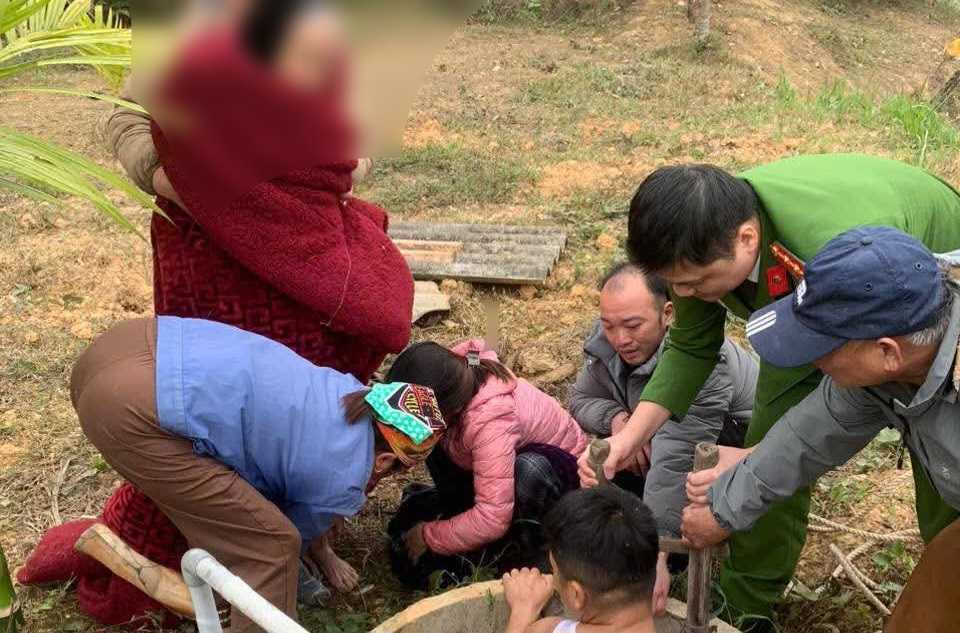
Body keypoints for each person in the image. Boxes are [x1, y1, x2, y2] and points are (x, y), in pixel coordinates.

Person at [92, 0, 412, 613]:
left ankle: (310, 540)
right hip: (205, 253)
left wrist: (320, 181)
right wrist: (170, 179)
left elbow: (348, 130)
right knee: (220, 409)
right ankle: (237, 546)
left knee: (308, 401)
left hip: (297, 246)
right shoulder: (183, 35)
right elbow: (132, 118)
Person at [579, 154, 960, 629]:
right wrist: (720, 486)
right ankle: (749, 598)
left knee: (942, 472)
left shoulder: (839, 259)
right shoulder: (704, 234)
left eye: (693, 284)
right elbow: (808, 432)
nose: (685, 295)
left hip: (912, 283)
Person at [70, 316, 445, 633]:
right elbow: (294, 530)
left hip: (132, 344)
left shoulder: (345, 388)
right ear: (384, 463)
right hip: (129, 410)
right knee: (272, 547)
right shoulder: (344, 477)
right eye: (402, 467)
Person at [681, 227, 960, 633]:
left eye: (822, 350)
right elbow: (808, 435)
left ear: (887, 352)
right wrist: (723, 509)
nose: (812, 362)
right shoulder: (888, 366)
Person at [569, 262, 757, 611]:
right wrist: (620, 422)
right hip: (664, 440)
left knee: (684, 468)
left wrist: (657, 553)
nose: (621, 339)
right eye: (609, 325)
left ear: (667, 313)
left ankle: (685, 551)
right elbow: (580, 398)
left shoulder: (705, 359)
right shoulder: (606, 347)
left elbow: (681, 453)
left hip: (735, 439)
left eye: (632, 325)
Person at [384, 339, 588, 588]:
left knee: (528, 471)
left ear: (450, 406)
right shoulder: (456, 378)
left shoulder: (490, 419)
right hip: (499, 475)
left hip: (561, 487)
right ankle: (463, 523)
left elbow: (492, 517)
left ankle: (525, 553)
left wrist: (429, 536)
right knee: (435, 445)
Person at [502, 486, 659, 633]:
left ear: (576, 595)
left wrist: (522, 612)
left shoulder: (551, 629)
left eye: (554, 571)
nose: (553, 580)